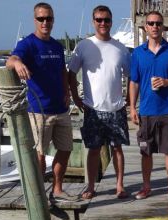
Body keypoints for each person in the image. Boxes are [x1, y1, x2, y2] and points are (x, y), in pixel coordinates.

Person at [7, 2, 75, 203]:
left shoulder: (56, 45)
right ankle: (38, 194)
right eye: (41, 18)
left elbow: (62, 71)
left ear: (53, 20)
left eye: (49, 18)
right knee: (39, 154)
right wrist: (18, 63)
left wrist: (67, 91)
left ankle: (57, 189)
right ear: (35, 20)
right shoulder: (28, 44)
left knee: (66, 149)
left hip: (61, 109)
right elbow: (11, 60)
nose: (45, 22)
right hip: (39, 110)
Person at [68, 5, 130, 200]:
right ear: (93, 21)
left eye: (107, 20)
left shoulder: (120, 48)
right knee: (93, 149)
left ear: (111, 22)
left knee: (117, 149)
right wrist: (76, 98)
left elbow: (130, 76)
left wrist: (129, 97)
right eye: (99, 20)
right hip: (92, 109)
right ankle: (91, 186)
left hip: (116, 108)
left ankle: (120, 186)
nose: (103, 23)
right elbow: (71, 74)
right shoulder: (84, 46)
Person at [129, 11, 168, 200]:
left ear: (163, 26)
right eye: (151, 23)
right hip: (146, 111)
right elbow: (134, 82)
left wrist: (167, 82)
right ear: (145, 27)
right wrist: (132, 107)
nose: (154, 26)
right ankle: (146, 187)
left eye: (158, 23)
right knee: (146, 152)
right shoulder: (138, 53)